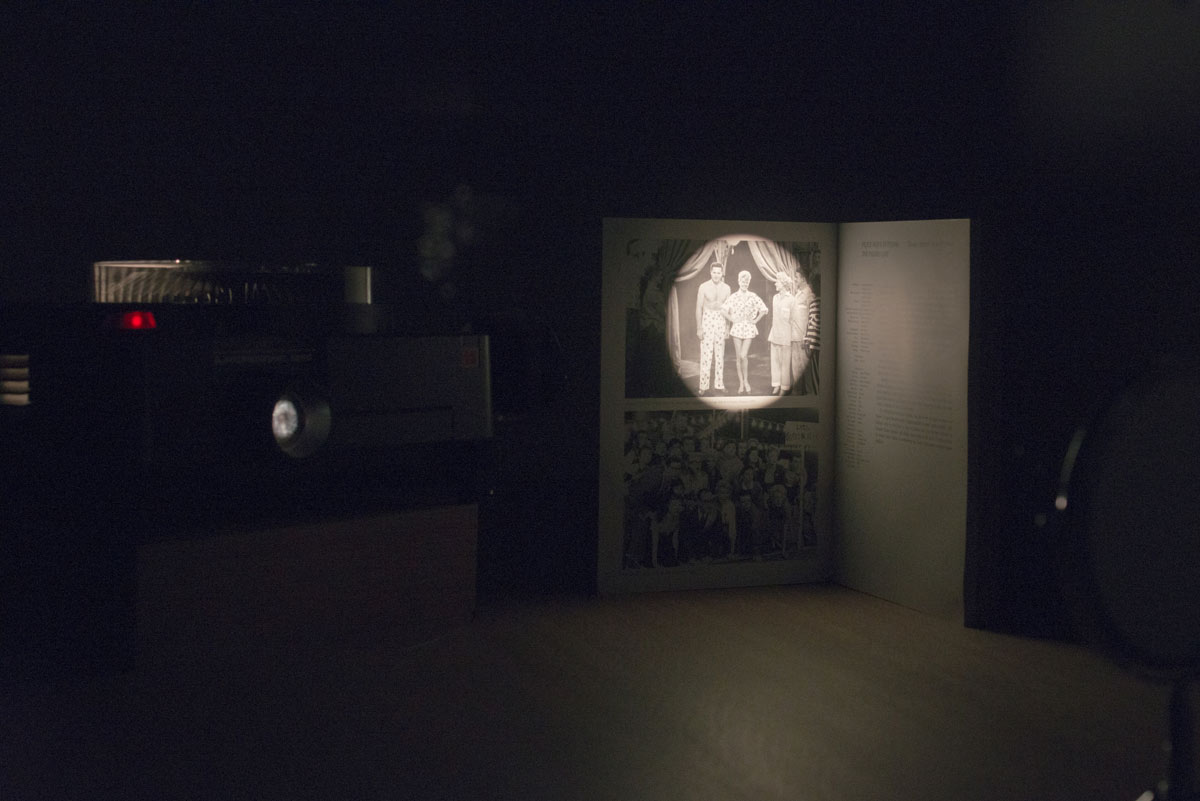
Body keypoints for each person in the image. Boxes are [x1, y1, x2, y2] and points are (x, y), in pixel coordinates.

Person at [721, 270, 768, 394]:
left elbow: (764, 310)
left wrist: (755, 320)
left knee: (743, 355)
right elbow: (723, 310)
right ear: (738, 281)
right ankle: (741, 383)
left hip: (749, 328)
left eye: (746, 282)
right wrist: (733, 319)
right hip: (737, 328)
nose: (744, 283)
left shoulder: (753, 296)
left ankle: (746, 381)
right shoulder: (733, 297)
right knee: (738, 357)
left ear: (749, 282)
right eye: (742, 281)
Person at [694, 262, 731, 396]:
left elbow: (728, 309)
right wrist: (699, 328)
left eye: (718, 273)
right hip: (708, 318)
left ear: (722, 273)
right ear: (710, 272)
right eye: (714, 272)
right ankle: (703, 385)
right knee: (706, 354)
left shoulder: (727, 288)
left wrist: (727, 327)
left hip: (721, 319)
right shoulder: (703, 287)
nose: (716, 275)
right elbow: (698, 308)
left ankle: (719, 384)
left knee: (720, 354)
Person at [767, 275, 794, 395]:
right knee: (775, 362)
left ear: (783, 284)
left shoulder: (791, 299)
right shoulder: (775, 298)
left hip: (786, 335)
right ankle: (776, 385)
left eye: (777, 282)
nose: (775, 284)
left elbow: (793, 319)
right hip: (775, 334)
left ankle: (784, 387)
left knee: (785, 363)